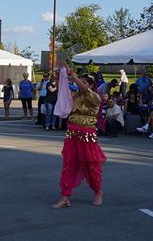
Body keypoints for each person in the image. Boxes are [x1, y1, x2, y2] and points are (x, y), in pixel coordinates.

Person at [52, 61, 106, 209]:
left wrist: (71, 74)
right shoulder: (75, 96)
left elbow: (83, 89)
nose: (80, 84)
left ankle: (98, 192)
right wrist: (59, 74)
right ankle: (65, 197)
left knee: (91, 165)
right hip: (72, 134)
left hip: (87, 136)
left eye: (84, 82)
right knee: (68, 164)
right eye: (80, 81)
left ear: (90, 85)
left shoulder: (95, 97)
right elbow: (62, 90)